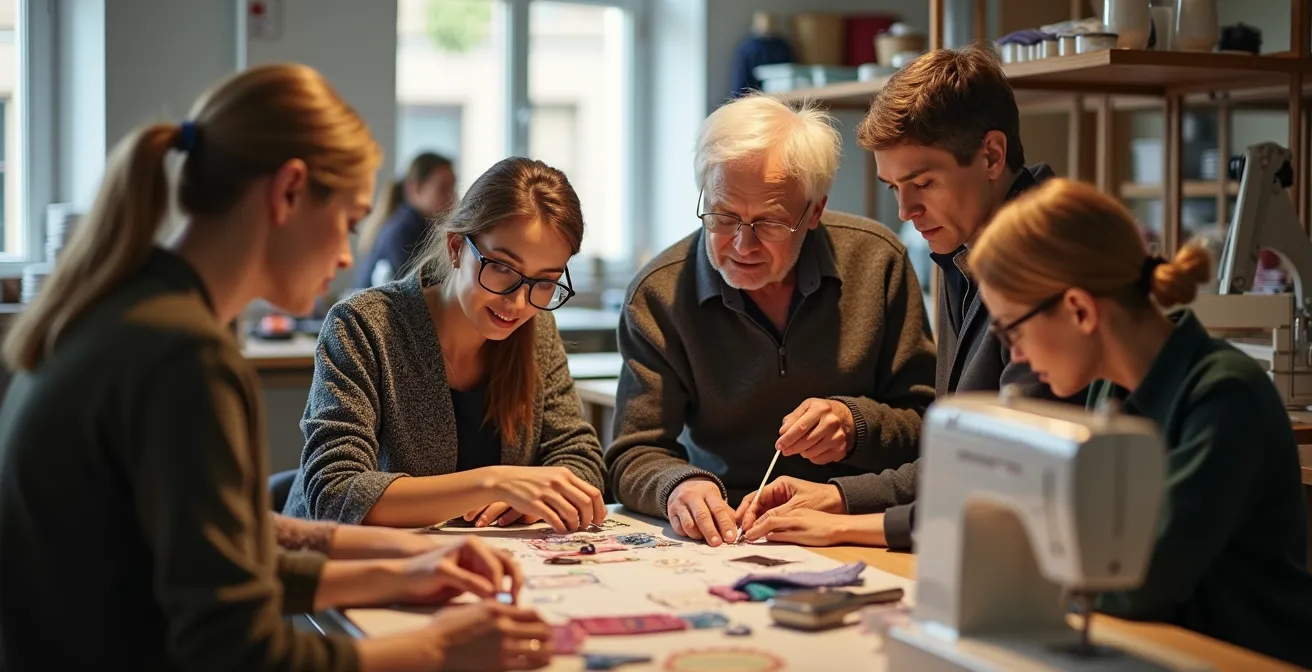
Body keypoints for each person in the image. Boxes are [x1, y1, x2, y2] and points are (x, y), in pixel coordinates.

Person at [0, 64, 551, 671]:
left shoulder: (121, 311)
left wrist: (406, 565)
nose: (346, 253)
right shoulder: (181, 358)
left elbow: (226, 558)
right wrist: (441, 648)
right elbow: (236, 649)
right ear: (289, 192)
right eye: (347, 221)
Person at [738, 44, 1075, 551]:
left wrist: (841, 523)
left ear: (991, 155)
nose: (906, 210)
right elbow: (955, 459)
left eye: (922, 182)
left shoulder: (1048, 256)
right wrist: (839, 496)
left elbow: (1013, 478)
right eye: (893, 186)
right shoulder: (963, 251)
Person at [975, 179, 1309, 669]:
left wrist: (1011, 566)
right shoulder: (1111, 390)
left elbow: (1138, 579)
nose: (1016, 354)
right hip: (1158, 648)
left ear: (1080, 310)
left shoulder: (1224, 396)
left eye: (1013, 329)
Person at [605, 92, 937, 547]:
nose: (743, 245)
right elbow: (632, 452)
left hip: (859, 523)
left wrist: (855, 425)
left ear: (815, 211)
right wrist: (680, 487)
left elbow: (930, 427)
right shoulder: (659, 293)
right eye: (723, 216)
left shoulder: (877, 262)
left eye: (770, 223)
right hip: (727, 530)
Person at [282, 156, 607, 533]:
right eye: (501, 267)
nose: (519, 303)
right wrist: (495, 483)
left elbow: (579, 456)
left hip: (479, 565)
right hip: (340, 569)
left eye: (545, 281)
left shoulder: (538, 329)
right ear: (456, 248)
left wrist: (529, 501)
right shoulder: (364, 325)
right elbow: (335, 494)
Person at [355, 151, 457, 288]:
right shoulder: (402, 233)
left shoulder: (423, 227)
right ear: (415, 189)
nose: (453, 196)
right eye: (443, 188)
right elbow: (421, 290)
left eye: (453, 187)